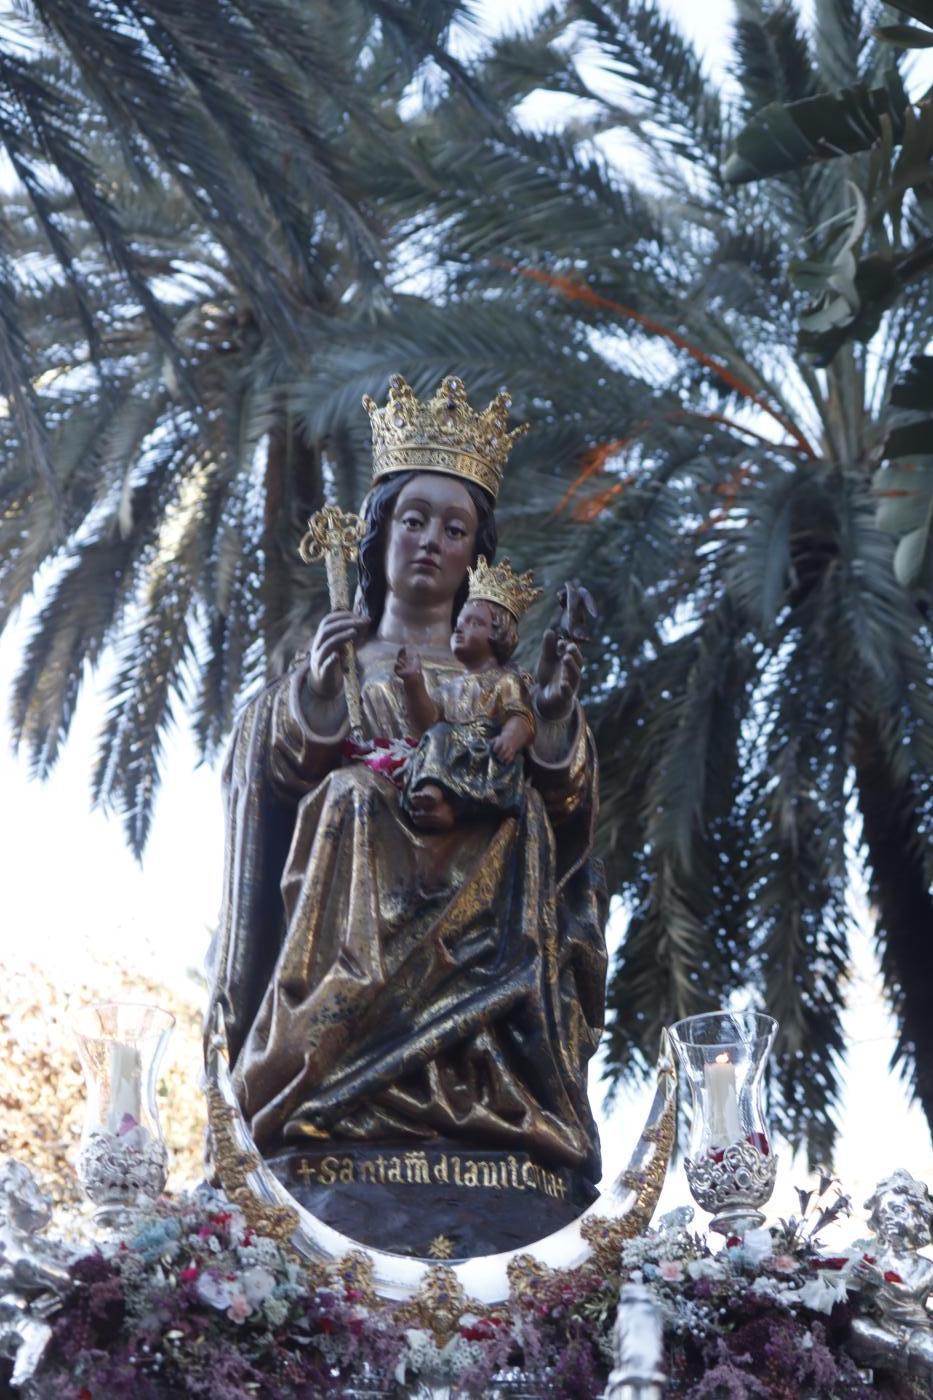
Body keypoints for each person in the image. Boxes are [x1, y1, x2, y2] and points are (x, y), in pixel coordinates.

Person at [207, 375, 608, 1224]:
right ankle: (322, 1076)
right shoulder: (337, 662)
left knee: (519, 821)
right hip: (356, 871)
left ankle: (490, 1091)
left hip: (489, 908)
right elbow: (271, 777)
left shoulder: (501, 686)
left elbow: (566, 804)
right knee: (351, 797)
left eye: (453, 528)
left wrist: (557, 715)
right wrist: (315, 693)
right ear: (378, 532)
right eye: (412, 519)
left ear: (476, 556)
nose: (429, 540)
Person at [394, 556, 540, 830]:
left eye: (474, 623)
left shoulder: (505, 680)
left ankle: (438, 797)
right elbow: (426, 722)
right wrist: (413, 682)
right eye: (460, 621)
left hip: (485, 755)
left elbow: (522, 717)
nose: (459, 627)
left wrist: (510, 738)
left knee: (438, 737)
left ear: (498, 635)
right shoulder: (449, 687)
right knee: (434, 737)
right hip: (450, 753)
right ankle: (437, 803)